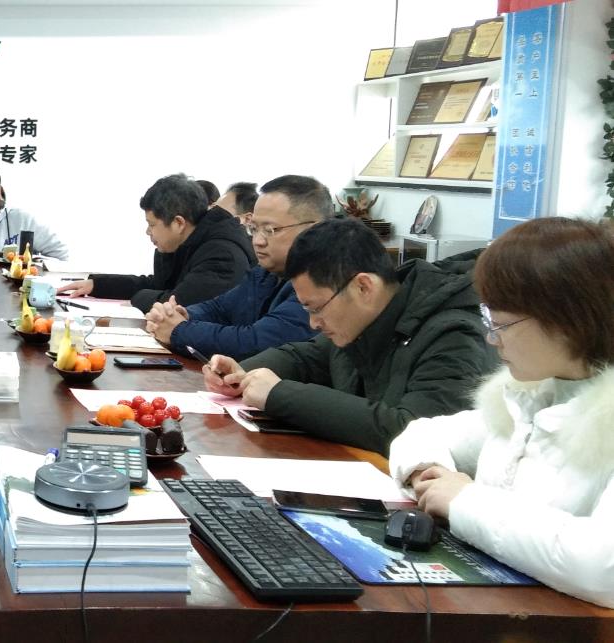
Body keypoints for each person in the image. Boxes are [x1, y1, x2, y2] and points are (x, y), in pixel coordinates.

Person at [388, 217, 614, 608]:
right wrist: (429, 473)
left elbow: (601, 566)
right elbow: (424, 433)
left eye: (502, 324)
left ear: (569, 321)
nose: (492, 339)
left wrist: (463, 502)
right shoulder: (531, 398)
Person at [202, 217, 494, 455]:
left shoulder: (453, 334)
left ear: (363, 287)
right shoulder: (365, 318)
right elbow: (306, 357)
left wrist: (278, 395)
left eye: (317, 308)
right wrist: (242, 374)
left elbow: (412, 432)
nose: (313, 323)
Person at [145, 175, 324, 360]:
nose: (258, 241)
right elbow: (220, 308)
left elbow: (255, 342)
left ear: (313, 229)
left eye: (270, 230)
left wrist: (178, 330)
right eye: (254, 229)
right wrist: (184, 314)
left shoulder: (321, 280)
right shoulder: (265, 273)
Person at [58, 173, 253, 312]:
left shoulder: (222, 255)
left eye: (151, 224)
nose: (147, 232)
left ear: (178, 223)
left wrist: (137, 298)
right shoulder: (190, 242)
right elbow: (158, 284)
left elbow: (175, 304)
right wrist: (97, 285)